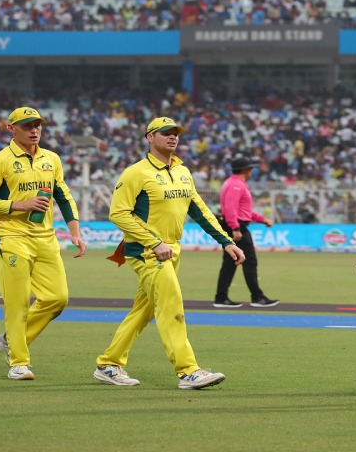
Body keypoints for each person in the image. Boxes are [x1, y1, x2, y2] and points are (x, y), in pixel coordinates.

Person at [94, 117, 246, 389]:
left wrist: (226, 241)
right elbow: (118, 213)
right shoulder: (135, 172)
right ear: (149, 137)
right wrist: (153, 242)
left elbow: (199, 210)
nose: (172, 137)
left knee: (144, 310)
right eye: (165, 133)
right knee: (171, 304)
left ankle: (109, 363)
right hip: (146, 252)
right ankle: (188, 370)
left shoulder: (183, 172)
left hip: (170, 251)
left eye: (175, 133)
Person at [0, 106, 87, 381]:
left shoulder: (51, 159)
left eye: (37, 125)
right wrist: (20, 205)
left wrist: (75, 231)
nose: (34, 130)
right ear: (12, 129)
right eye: (27, 126)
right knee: (18, 302)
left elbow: (63, 194)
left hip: (45, 238)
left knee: (57, 298)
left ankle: (9, 339)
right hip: (10, 236)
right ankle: (18, 362)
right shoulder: (0, 161)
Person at [214, 156, 278, 308]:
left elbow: (244, 211)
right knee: (249, 261)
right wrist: (235, 228)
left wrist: (262, 219)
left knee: (230, 263)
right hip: (237, 227)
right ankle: (257, 297)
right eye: (250, 168)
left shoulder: (232, 183)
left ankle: (221, 297)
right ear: (245, 170)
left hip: (235, 225)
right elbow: (231, 209)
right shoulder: (236, 185)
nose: (252, 171)